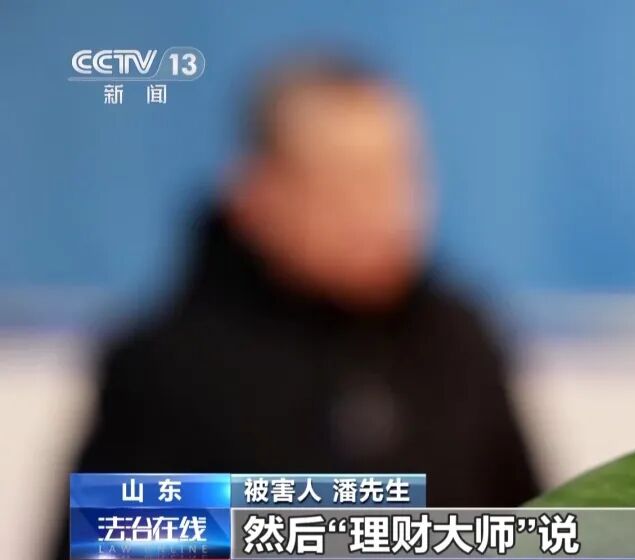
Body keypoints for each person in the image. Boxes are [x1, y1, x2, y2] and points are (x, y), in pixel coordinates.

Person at [53, 56, 538, 558]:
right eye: (345, 181)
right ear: (258, 191)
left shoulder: (459, 346)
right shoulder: (165, 371)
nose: (380, 209)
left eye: (398, 174)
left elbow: (533, 533)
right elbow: (107, 540)